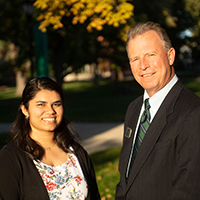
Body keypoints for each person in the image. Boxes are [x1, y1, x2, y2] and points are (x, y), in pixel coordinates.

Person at [115, 21, 200, 200]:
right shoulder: (134, 109)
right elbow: (125, 180)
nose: (143, 65)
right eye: (135, 59)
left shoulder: (193, 112)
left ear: (170, 56)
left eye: (150, 55)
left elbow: (188, 190)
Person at [0, 77, 100, 200]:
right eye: (41, 104)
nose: (51, 111)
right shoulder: (11, 158)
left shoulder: (76, 152)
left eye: (56, 104)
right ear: (25, 110)